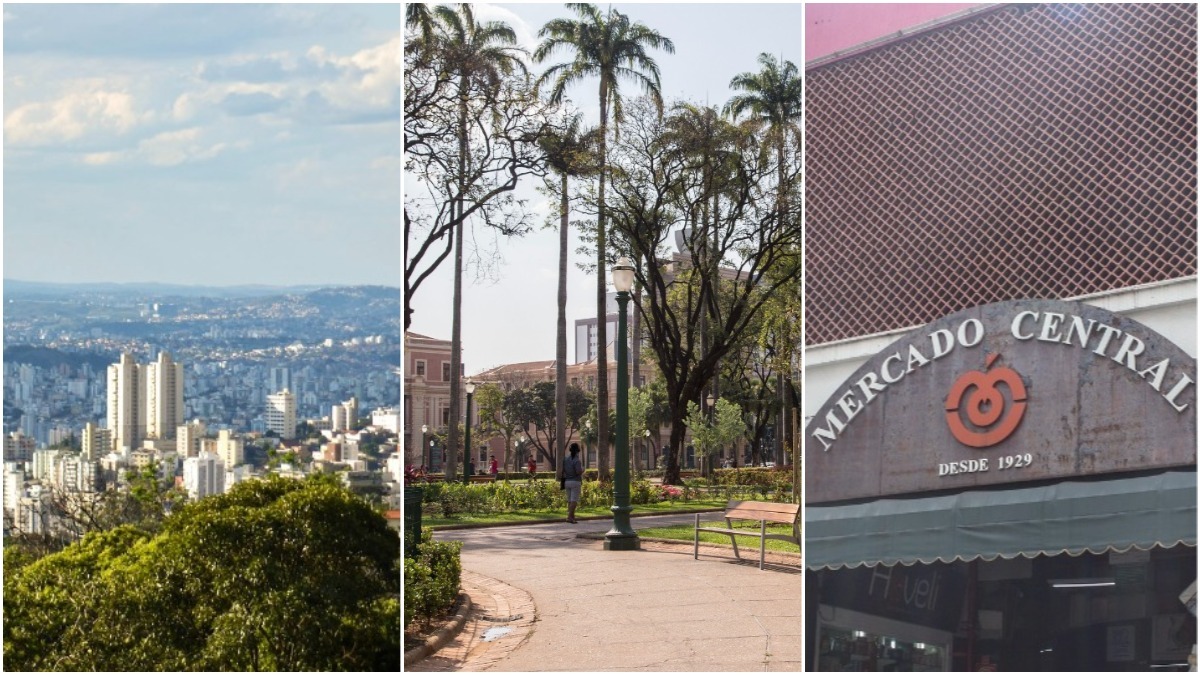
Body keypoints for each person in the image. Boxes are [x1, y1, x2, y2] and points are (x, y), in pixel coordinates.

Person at [563, 443, 584, 523]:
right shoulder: (576, 460)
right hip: (575, 481)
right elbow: (578, 471)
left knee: (570, 500)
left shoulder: (565, 459)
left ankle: (572, 517)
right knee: (574, 500)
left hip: (567, 481)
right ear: (577, 450)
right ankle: (569, 517)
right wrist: (583, 470)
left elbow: (564, 470)